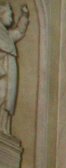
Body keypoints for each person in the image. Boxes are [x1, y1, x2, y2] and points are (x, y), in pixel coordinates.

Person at [0, 1, 28, 136]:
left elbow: (19, 31)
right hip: (2, 71)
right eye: (9, 14)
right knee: (1, 95)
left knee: (8, 99)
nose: (11, 17)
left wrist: (24, 15)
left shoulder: (7, 34)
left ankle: (4, 128)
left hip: (10, 70)